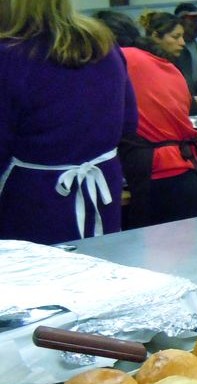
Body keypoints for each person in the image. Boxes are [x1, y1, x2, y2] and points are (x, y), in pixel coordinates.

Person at [0, 0, 138, 245]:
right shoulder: (105, 44)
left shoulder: (9, 56)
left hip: (35, 200)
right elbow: (128, 124)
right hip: (103, 189)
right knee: (102, 270)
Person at [107, 11, 197, 228]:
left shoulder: (121, 59)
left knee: (154, 260)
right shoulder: (166, 65)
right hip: (195, 175)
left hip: (161, 178)